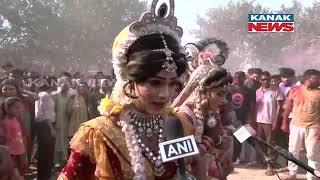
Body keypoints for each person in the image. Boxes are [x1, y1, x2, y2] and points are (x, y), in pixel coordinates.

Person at [57, 0, 194, 179]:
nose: (165, 94)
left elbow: (184, 172)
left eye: (172, 84)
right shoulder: (98, 135)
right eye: (155, 83)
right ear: (129, 79)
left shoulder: (177, 125)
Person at [172, 38, 233, 180]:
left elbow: (218, 146)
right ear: (203, 92)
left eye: (226, 95)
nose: (224, 101)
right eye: (219, 94)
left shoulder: (209, 115)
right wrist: (208, 141)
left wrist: (220, 141)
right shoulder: (182, 116)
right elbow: (175, 161)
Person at [281, 69, 320, 180]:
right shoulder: (295, 90)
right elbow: (288, 107)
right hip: (295, 125)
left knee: (313, 153)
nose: (319, 80)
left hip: (314, 127)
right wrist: (284, 122)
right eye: (316, 78)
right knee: (293, 150)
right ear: (308, 79)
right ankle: (292, 174)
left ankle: (312, 176)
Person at [0, 97, 25, 176]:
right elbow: (3, 140)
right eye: (16, 107)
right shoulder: (5, 123)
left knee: (20, 173)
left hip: (19, 152)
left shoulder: (15, 119)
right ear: (7, 108)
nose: (19, 110)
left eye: (20, 107)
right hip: (11, 154)